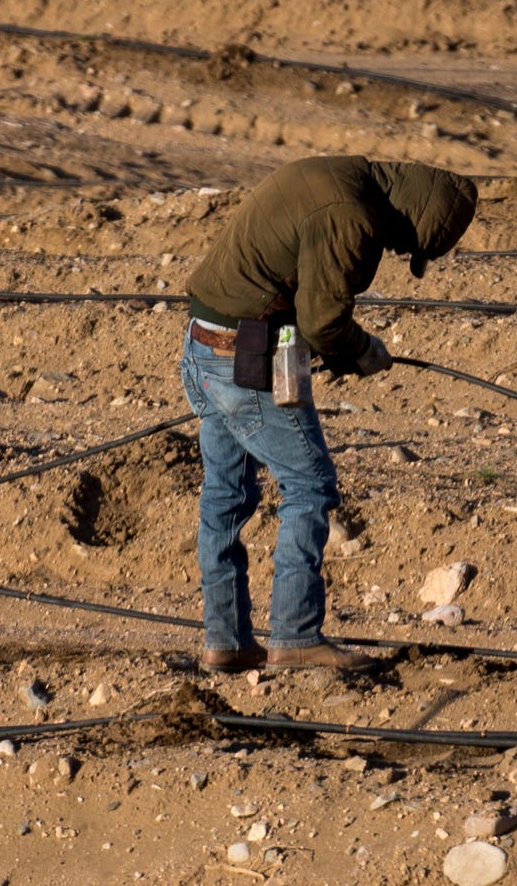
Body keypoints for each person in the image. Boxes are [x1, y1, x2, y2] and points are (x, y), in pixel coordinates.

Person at [177, 155, 477, 673]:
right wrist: (363, 352)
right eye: (412, 245)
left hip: (205, 345)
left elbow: (296, 283)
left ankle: (225, 642)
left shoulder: (337, 176)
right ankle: (295, 637)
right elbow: (324, 320)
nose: (402, 251)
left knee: (225, 494)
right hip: (243, 360)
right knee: (309, 485)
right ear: (415, 217)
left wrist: (333, 347)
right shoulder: (351, 214)